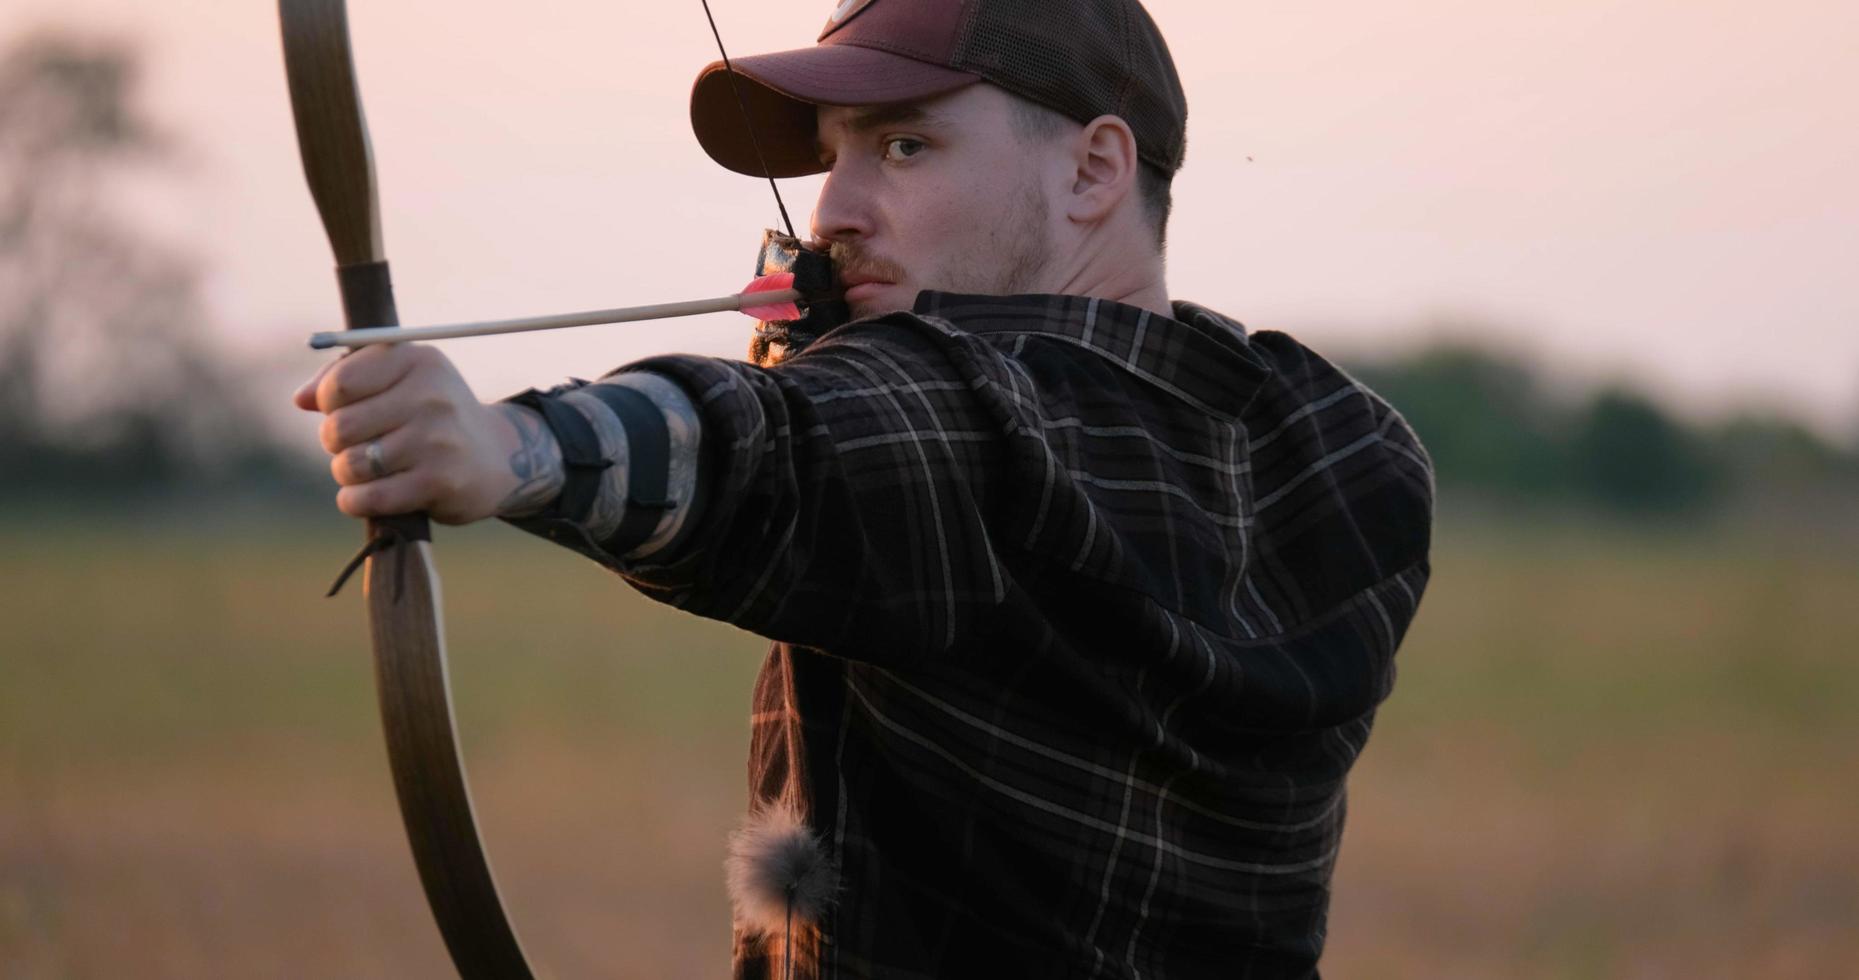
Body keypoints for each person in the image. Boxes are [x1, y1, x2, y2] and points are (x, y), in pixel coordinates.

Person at [292, 1, 1435, 976]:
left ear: (1093, 169)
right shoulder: (1335, 447)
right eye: (831, 154)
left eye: (901, 148)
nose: (832, 211)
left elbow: (802, 449)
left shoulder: (972, 423)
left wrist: (505, 447)